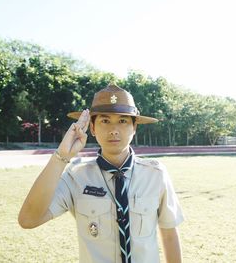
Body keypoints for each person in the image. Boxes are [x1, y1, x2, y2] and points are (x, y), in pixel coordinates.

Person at [18, 84, 184, 263]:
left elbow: (169, 236)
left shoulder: (155, 175)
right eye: (105, 121)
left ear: (134, 127)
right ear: (93, 128)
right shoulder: (76, 176)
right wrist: (61, 157)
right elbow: (28, 220)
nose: (114, 130)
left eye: (123, 121)